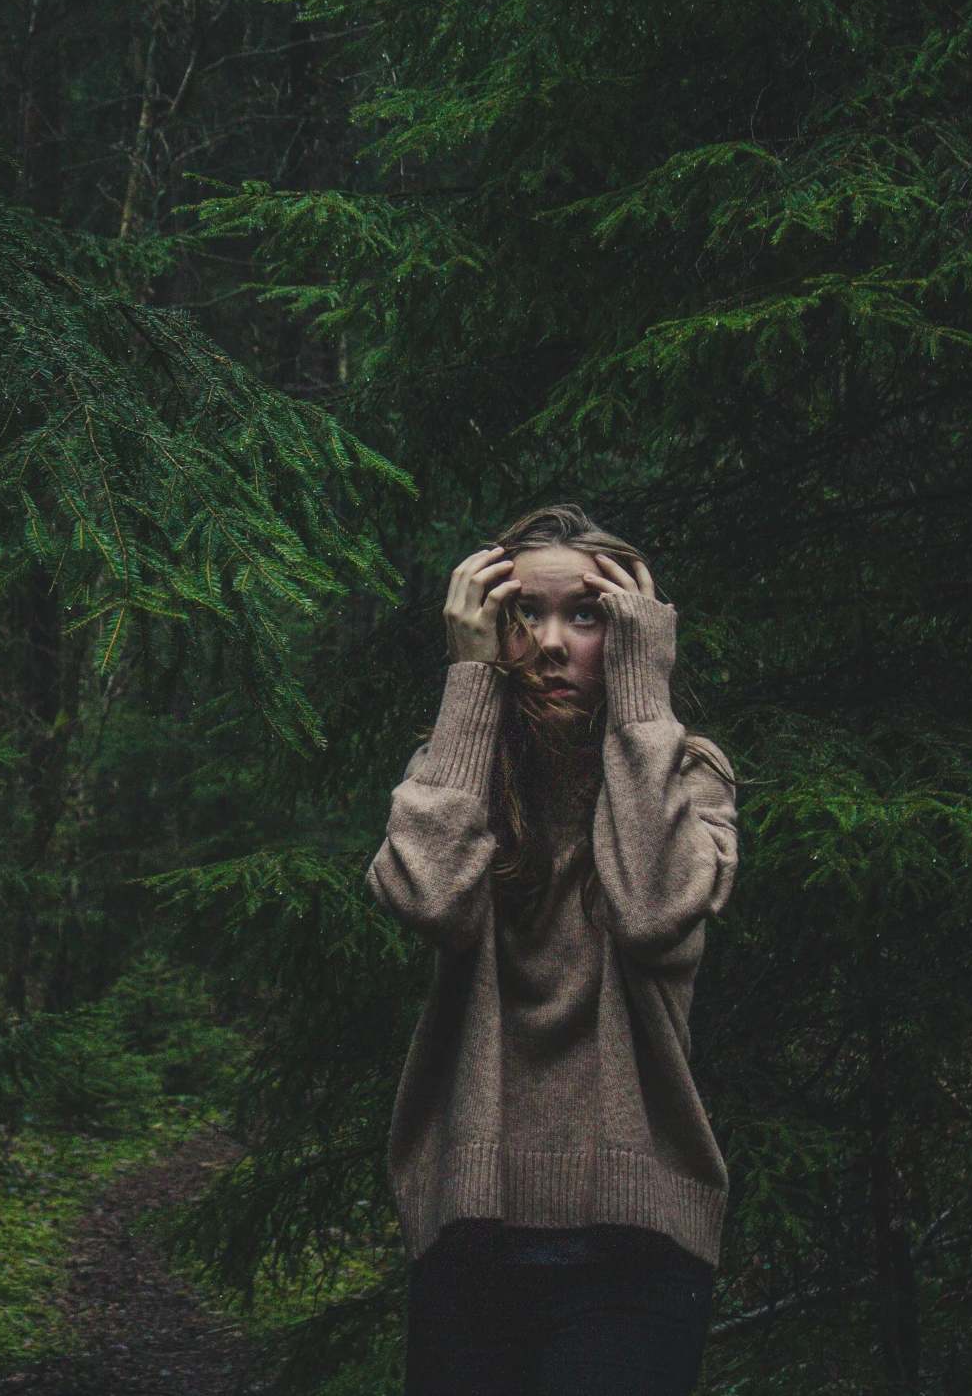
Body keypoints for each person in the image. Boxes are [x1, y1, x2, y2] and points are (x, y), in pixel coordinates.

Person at [367, 505, 740, 1396]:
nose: (550, 644)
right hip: (472, 1233)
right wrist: (468, 689)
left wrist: (645, 702)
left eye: (587, 616)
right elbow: (426, 898)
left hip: (636, 1249)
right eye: (522, 616)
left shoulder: (688, 775)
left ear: (631, 637)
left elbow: (653, 912)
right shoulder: (456, 768)